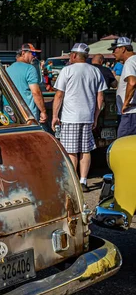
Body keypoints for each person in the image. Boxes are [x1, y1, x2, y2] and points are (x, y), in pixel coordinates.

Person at [52, 43, 107, 192]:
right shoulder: (95, 71)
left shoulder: (67, 70)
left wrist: (55, 116)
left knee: (71, 151)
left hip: (71, 117)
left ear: (75, 55)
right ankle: (83, 181)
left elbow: (59, 95)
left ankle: (74, 181)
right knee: (85, 150)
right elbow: (100, 97)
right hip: (87, 116)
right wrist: (95, 117)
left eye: (71, 54)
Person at [5, 43, 47, 124]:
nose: (35, 56)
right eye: (33, 53)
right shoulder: (30, 69)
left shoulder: (8, 70)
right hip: (28, 117)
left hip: (11, 116)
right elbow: (36, 92)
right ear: (23, 53)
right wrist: (43, 111)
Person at [109, 36, 136, 137]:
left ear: (123, 49)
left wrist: (126, 103)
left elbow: (132, 82)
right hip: (132, 112)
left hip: (130, 113)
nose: (113, 53)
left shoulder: (130, 62)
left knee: (122, 144)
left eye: (115, 49)